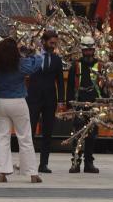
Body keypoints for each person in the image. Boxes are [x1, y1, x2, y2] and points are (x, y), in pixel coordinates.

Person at [0, 37, 44, 183]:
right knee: (24, 137)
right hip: (18, 102)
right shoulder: (20, 64)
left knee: (2, 137)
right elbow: (36, 63)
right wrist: (34, 52)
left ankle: (1, 171)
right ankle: (32, 173)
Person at [26, 30, 65, 175]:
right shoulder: (34, 57)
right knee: (29, 132)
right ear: (43, 41)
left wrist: (61, 100)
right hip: (34, 98)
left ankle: (44, 164)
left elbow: (60, 82)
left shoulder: (56, 59)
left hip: (50, 100)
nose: (53, 46)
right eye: (51, 43)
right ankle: (28, 163)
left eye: (55, 43)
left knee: (47, 133)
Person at [66, 40, 101, 174]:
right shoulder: (76, 66)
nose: (88, 53)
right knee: (77, 135)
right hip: (79, 103)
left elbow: (103, 85)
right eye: (86, 50)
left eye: (90, 50)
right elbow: (70, 86)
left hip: (94, 104)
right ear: (82, 51)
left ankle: (89, 163)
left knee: (92, 135)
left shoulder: (99, 66)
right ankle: (75, 162)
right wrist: (70, 105)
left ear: (93, 50)